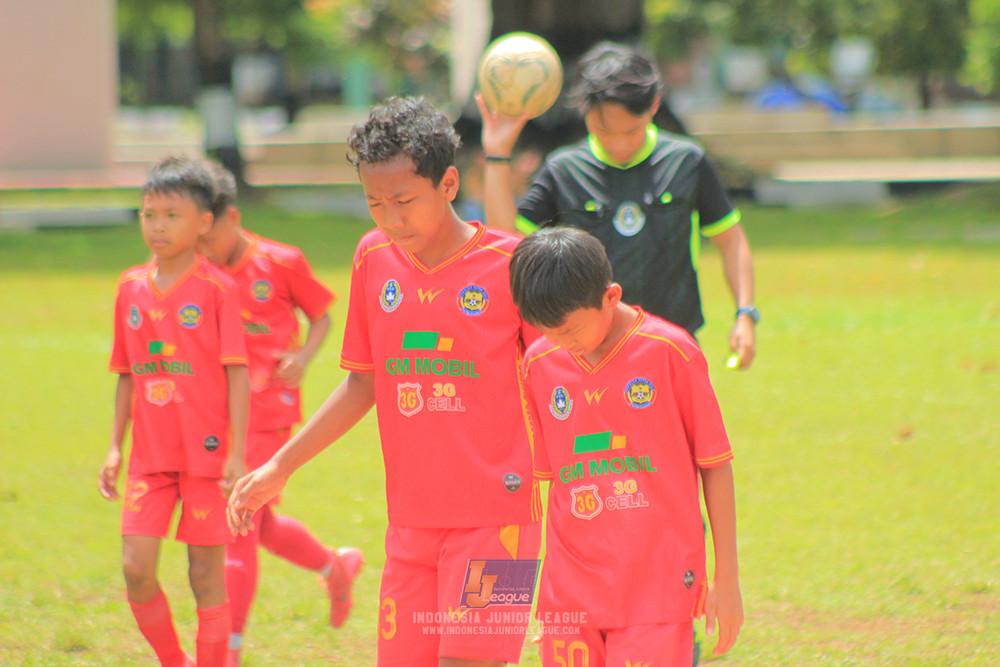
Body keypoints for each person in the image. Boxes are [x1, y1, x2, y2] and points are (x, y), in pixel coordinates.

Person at [226, 96, 543, 666]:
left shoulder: (511, 266)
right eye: (375, 203)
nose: (390, 219)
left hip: (499, 521)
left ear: (448, 184)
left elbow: (559, 381)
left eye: (403, 201)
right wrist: (279, 466)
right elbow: (362, 383)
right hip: (411, 525)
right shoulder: (374, 256)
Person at [509, 226, 744, 666]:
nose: (562, 343)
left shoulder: (670, 351)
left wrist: (725, 579)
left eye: (571, 330)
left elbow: (715, 464)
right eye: (548, 332)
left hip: (657, 586)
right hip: (570, 595)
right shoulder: (538, 363)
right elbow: (545, 491)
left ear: (611, 296)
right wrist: (538, 592)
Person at [480, 41, 759, 369]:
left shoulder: (686, 161)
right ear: (583, 113)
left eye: (631, 131)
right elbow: (505, 239)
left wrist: (745, 313)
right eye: (603, 131)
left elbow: (731, 239)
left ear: (653, 106)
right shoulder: (563, 169)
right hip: (588, 356)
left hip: (673, 348)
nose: (620, 145)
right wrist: (497, 154)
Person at [197, 163, 364, 666]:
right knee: (261, 523)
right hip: (215, 412)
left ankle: (229, 646)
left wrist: (303, 356)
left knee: (239, 519)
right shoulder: (197, 269)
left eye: (208, 233)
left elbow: (322, 315)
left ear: (231, 216)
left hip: (269, 408)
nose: (201, 246)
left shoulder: (282, 260)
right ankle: (335, 566)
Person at [98, 156, 250, 667]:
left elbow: (238, 375)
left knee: (205, 576)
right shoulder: (129, 288)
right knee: (136, 567)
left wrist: (237, 455)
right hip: (149, 458)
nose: (157, 226)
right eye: (149, 214)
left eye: (171, 215)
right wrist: (115, 447)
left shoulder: (219, 291)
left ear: (204, 222)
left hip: (206, 459)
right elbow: (126, 372)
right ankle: (173, 660)